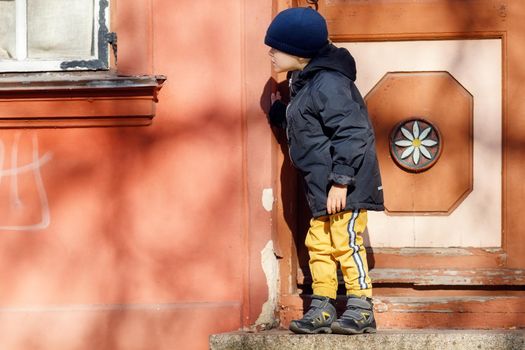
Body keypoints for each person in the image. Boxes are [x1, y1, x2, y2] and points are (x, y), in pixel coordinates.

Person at [264, 7, 384, 334]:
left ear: (300, 53)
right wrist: (280, 113)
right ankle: (323, 306)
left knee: (345, 243)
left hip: (346, 184)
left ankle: (361, 306)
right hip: (322, 188)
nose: (271, 53)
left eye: (277, 48)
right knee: (319, 245)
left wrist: (342, 181)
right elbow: (311, 122)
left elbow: (353, 132)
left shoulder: (329, 82)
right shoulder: (306, 82)